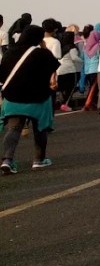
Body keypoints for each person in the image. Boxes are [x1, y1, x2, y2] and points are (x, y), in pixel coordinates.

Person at [1, 26, 60, 174]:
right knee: (40, 129)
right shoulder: (42, 53)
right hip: (38, 98)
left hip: (13, 98)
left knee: (14, 129)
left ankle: (7, 160)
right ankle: (39, 160)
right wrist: (43, 47)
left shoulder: (9, 52)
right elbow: (53, 66)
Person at [55, 32, 82, 111]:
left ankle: (60, 102)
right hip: (69, 70)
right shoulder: (72, 47)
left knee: (61, 87)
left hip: (60, 70)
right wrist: (82, 60)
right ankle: (65, 104)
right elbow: (74, 58)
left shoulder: (61, 47)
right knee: (70, 88)